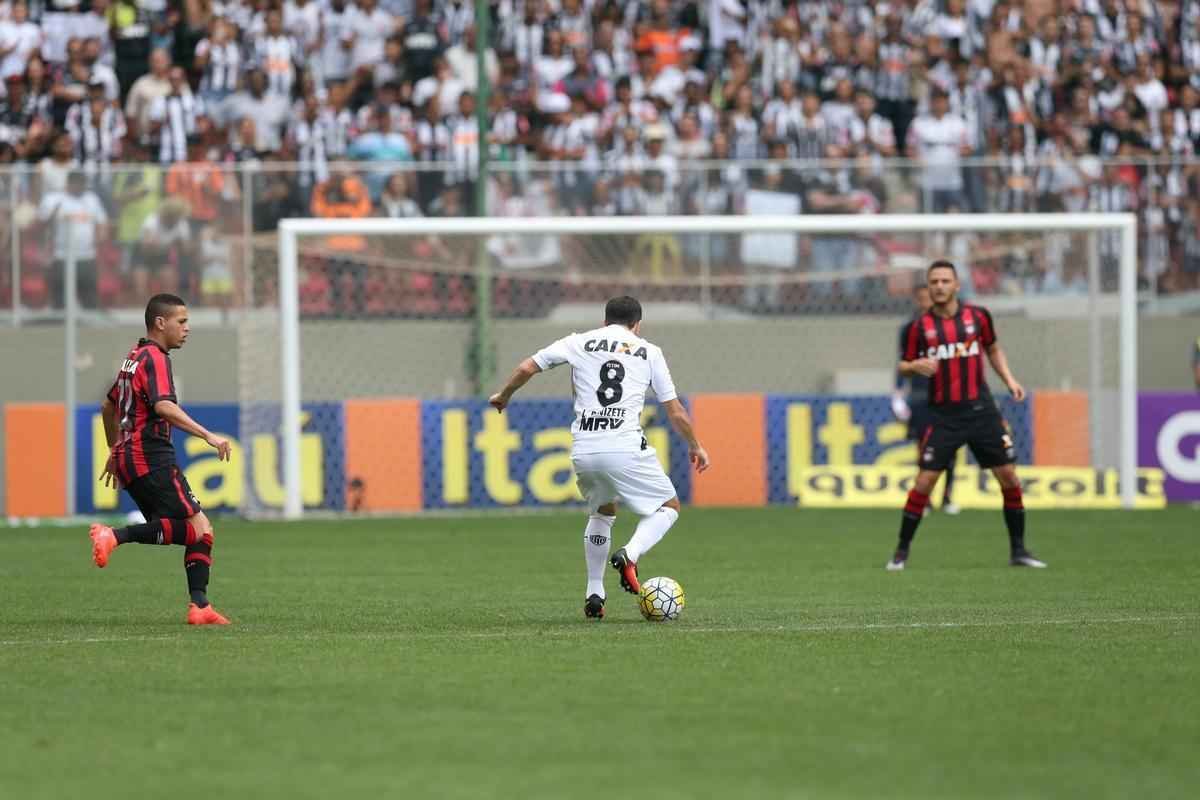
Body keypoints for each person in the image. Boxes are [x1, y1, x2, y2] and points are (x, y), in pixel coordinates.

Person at [488, 296, 711, 620]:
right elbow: (675, 411)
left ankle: (595, 592)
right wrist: (695, 445)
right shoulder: (649, 351)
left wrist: (504, 395)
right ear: (637, 325)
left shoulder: (579, 341)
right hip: (625, 446)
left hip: (585, 449)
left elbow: (526, 367)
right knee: (669, 506)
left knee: (603, 510)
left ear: (605, 321)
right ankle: (630, 554)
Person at [887, 261, 1045, 571]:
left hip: (982, 411)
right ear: (928, 287)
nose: (939, 286)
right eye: (934, 281)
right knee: (924, 481)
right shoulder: (920, 327)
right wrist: (914, 366)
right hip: (943, 416)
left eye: (945, 281)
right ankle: (901, 552)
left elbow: (993, 349)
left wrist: (1009, 380)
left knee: (1008, 476)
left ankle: (1019, 551)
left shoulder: (978, 317)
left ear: (957, 285)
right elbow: (903, 365)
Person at [89, 294, 233, 626]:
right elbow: (164, 406)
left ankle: (200, 606)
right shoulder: (155, 358)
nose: (187, 328)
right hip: (150, 457)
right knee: (199, 530)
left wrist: (114, 449)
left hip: (131, 459)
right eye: (181, 321)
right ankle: (114, 536)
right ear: (160, 323)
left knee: (197, 530)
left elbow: (108, 407)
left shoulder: (133, 357)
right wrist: (207, 435)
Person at [892, 284, 958, 514]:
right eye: (921, 298)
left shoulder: (949, 327)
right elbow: (902, 362)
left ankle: (947, 497)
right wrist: (898, 393)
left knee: (950, 447)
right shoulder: (909, 329)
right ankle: (926, 499)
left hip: (947, 395)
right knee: (924, 448)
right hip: (921, 396)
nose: (925, 302)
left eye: (928, 298)